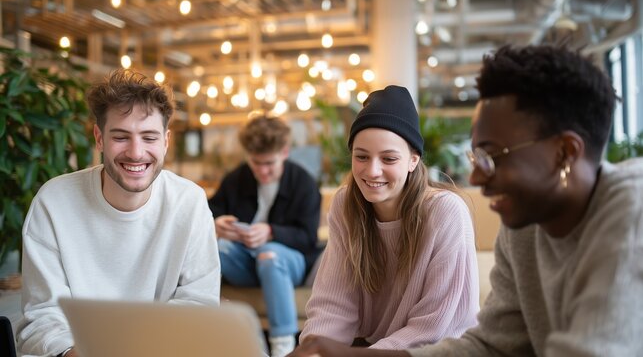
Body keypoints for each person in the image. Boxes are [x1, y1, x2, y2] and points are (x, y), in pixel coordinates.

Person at [289, 45, 643, 357]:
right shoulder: (522, 230)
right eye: (476, 159)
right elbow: (491, 345)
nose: (474, 179)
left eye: (492, 156)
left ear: (564, 153)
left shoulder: (631, 214)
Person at [17, 69, 221, 357]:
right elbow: (42, 318)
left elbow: (199, 305)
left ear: (165, 141)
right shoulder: (54, 202)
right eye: (121, 137)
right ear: (99, 138)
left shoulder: (190, 202)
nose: (136, 153)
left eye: (149, 137)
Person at [298, 85, 480, 351]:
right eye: (361, 156)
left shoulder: (445, 212)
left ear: (413, 160)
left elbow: (431, 329)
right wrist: (314, 352)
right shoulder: (344, 205)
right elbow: (333, 307)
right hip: (378, 351)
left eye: (389, 158)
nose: (372, 171)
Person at [208, 115, 321, 357]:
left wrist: (271, 232)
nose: (262, 171)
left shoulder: (303, 183)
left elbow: (308, 238)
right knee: (216, 247)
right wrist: (216, 225)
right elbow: (209, 212)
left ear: (285, 152)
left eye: (269, 163)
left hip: (286, 263)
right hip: (245, 265)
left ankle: (283, 347)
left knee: (269, 256)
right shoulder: (236, 178)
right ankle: (208, 331)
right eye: (255, 162)